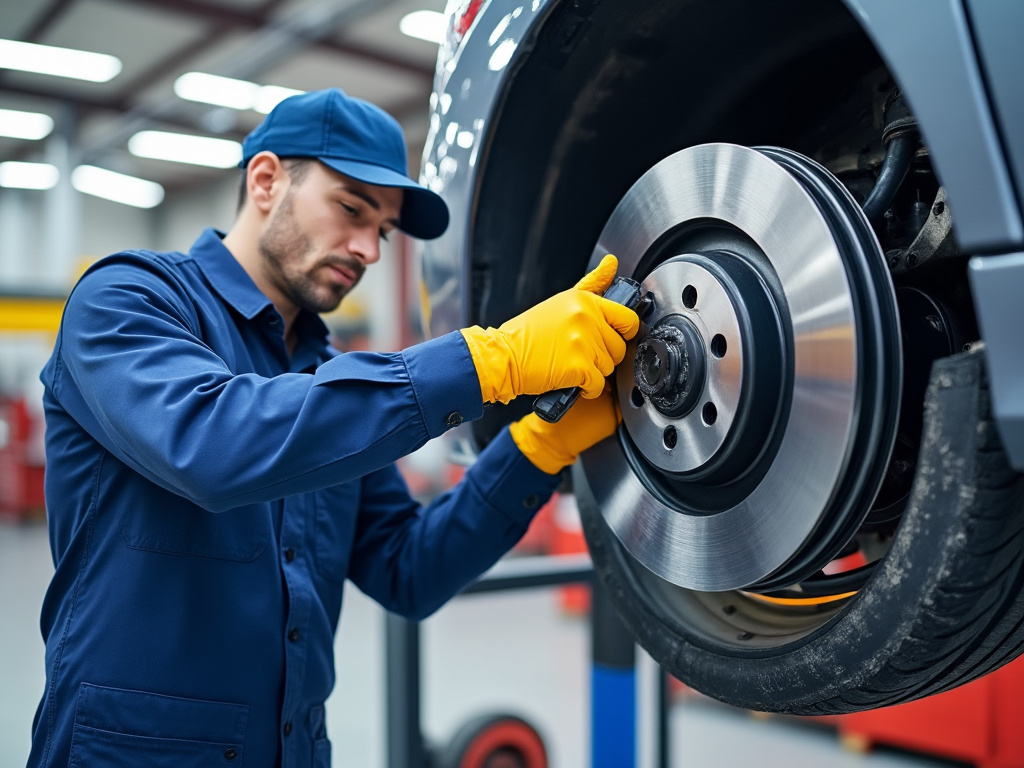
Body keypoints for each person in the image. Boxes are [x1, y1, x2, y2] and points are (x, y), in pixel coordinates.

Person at [28, 88, 638, 768]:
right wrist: (486, 362)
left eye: (380, 230)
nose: (369, 250)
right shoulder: (128, 301)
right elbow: (211, 446)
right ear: (266, 181)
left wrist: (537, 446)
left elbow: (411, 568)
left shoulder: (330, 378)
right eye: (351, 208)